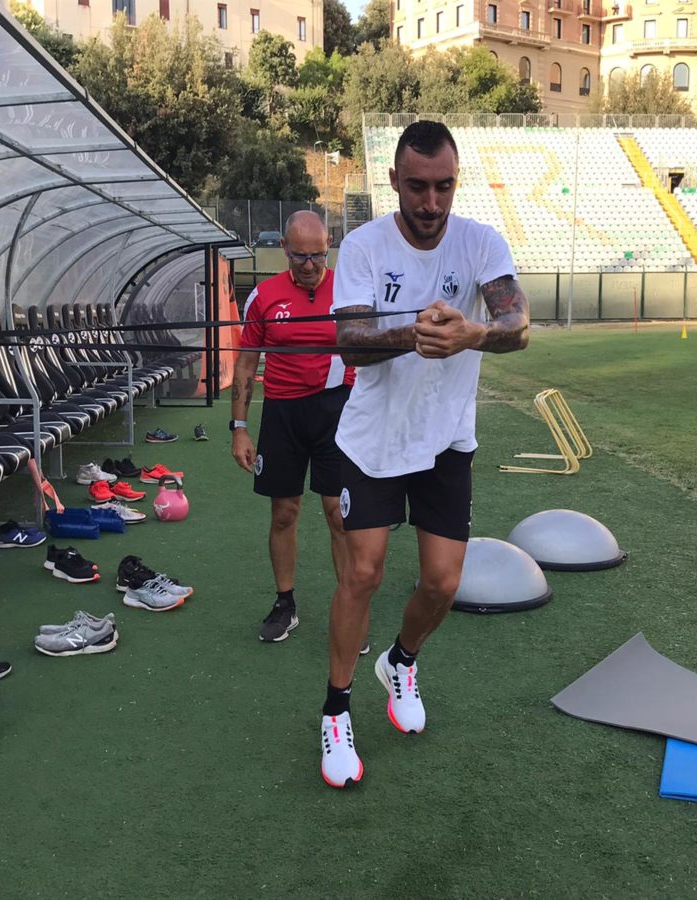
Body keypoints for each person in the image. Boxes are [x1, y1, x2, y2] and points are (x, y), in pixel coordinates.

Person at [318, 121, 530, 788]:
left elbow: (517, 324)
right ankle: (335, 711)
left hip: (446, 439)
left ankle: (401, 661)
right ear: (394, 182)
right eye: (417, 187)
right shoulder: (363, 245)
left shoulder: (481, 242)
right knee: (363, 574)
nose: (431, 202)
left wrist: (474, 333)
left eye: (444, 187)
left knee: (442, 582)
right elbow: (349, 342)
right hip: (374, 440)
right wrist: (413, 334)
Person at [231, 210, 364, 647]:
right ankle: (285, 601)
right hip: (283, 414)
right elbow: (246, 363)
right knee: (284, 512)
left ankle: (350, 609)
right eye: (300, 256)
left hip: (336, 411)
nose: (310, 266)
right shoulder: (264, 296)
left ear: (329, 247)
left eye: (318, 256)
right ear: (284, 249)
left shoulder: (348, 291)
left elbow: (372, 354)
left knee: (338, 514)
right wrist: (239, 427)